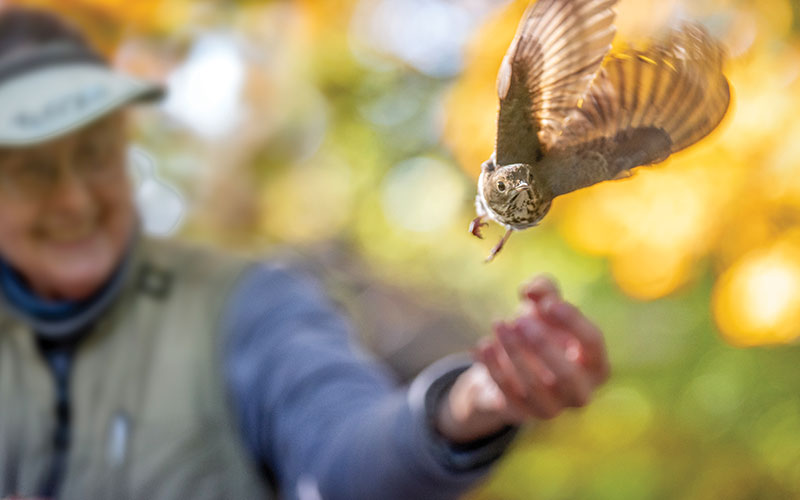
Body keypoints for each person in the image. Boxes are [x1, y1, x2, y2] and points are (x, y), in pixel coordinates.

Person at [0, 6, 610, 500]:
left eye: (93, 155)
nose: (74, 199)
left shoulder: (242, 307)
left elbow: (342, 453)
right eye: (31, 171)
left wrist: (468, 402)